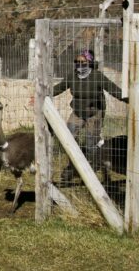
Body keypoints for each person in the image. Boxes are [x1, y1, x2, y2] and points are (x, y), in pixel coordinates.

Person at [52, 49, 127, 183]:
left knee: (91, 143)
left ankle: (91, 168)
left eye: (83, 62)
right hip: (78, 112)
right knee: (67, 138)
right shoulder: (72, 76)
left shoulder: (97, 76)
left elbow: (113, 89)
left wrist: (128, 98)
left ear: (90, 63)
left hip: (94, 113)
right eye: (77, 62)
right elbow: (60, 87)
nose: (79, 65)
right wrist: (44, 93)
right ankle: (72, 166)